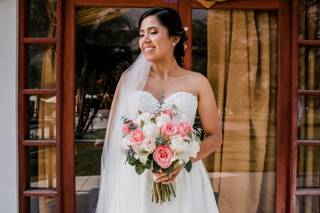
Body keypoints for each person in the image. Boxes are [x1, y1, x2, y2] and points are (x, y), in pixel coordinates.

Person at [95, 7, 222, 213]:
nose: (145, 39)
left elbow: (215, 137)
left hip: (184, 180)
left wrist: (182, 161)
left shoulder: (198, 82)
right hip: (136, 181)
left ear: (174, 38)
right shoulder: (129, 81)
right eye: (141, 34)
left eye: (153, 32)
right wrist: (139, 148)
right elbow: (116, 135)